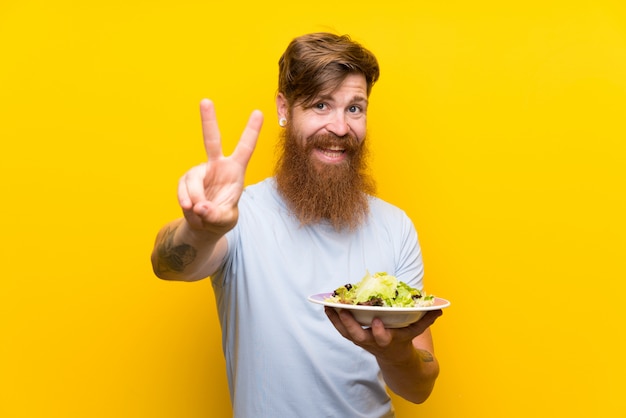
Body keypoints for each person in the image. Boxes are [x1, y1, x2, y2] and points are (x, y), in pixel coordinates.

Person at [151, 32, 443, 417]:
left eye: (355, 108)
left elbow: (420, 387)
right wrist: (202, 230)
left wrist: (393, 351)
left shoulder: (395, 227)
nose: (340, 127)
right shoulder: (242, 215)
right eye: (321, 105)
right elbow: (167, 264)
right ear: (284, 108)